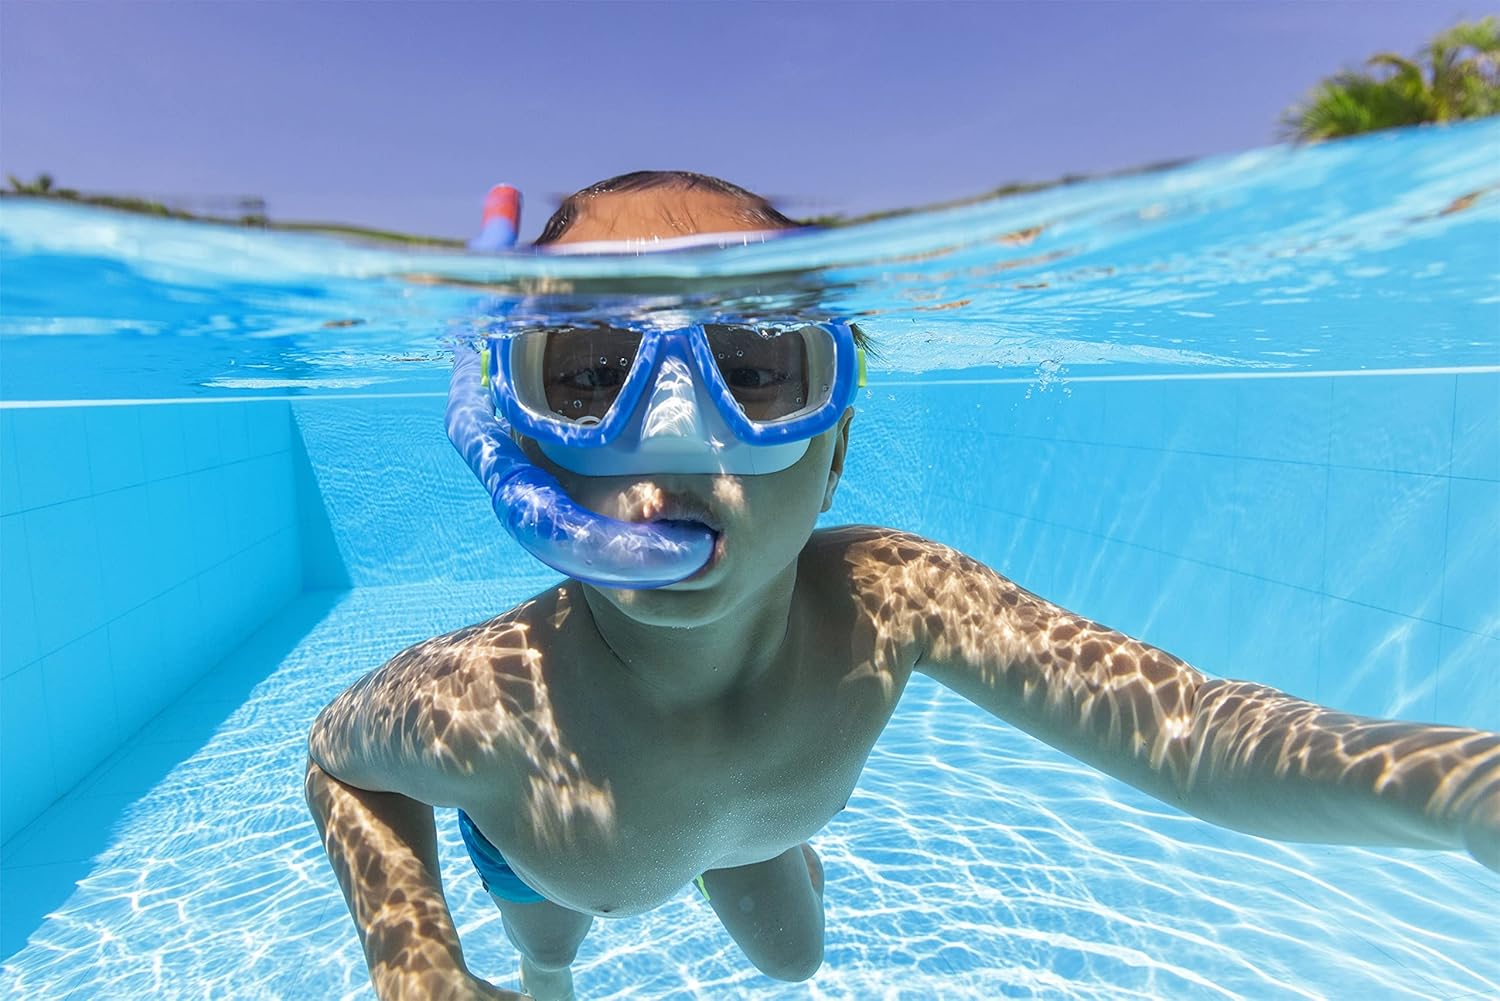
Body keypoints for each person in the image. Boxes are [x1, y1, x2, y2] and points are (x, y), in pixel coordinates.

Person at [305, 171, 1500, 1001]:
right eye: (587, 373)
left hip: (764, 827)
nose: (672, 437)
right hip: (557, 861)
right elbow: (338, 760)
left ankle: (740, 852)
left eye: (756, 369)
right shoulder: (493, 698)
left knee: (794, 961)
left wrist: (1462, 789)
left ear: (833, 452)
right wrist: (417, 965)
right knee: (555, 953)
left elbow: (1186, 729)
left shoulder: (893, 595)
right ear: (527, 449)